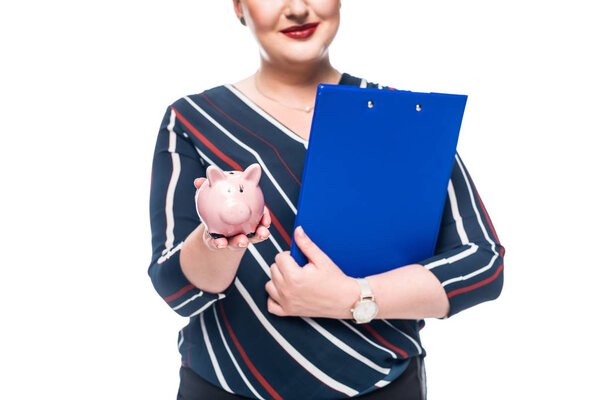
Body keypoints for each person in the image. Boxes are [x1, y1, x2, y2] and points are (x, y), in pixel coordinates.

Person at [148, 1, 505, 399]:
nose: (298, 8)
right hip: (225, 388)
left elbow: (482, 263)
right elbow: (174, 288)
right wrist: (221, 237)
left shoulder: (404, 114)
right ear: (238, 6)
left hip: (381, 387)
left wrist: (353, 298)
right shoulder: (196, 119)